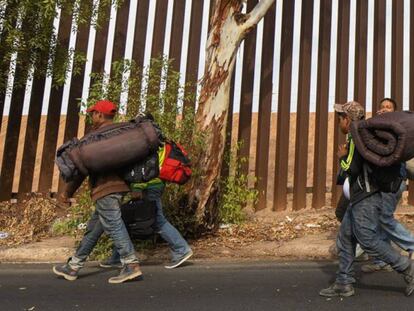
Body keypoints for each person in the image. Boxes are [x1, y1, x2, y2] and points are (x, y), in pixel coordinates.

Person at [319, 101, 414, 297]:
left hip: (366, 196)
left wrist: (341, 157)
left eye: (340, 118)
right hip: (361, 195)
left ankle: (408, 270)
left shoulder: (356, 137)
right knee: (345, 238)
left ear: (347, 119)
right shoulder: (364, 135)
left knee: (368, 240)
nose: (338, 123)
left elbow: (351, 169)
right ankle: (344, 282)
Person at [53, 100, 142, 284]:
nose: (92, 117)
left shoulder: (94, 140)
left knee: (114, 225)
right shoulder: (120, 134)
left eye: (93, 113)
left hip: (105, 189)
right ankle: (74, 266)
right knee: (94, 229)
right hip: (120, 188)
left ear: (100, 115)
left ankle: (131, 264)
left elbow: (79, 171)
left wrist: (66, 193)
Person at [100, 120, 193, 269]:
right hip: (155, 185)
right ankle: (118, 256)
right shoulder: (159, 142)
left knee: (157, 220)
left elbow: (141, 172)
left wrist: (137, 188)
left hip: (149, 187)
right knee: (128, 219)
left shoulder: (144, 146)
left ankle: (181, 249)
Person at [360, 98, 414, 272]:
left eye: (388, 108)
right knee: (379, 218)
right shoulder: (376, 130)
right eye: (382, 107)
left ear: (395, 112)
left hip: (393, 182)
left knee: (384, 218)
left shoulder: (399, 132)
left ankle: (411, 244)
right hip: (381, 182)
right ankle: (381, 260)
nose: (384, 110)